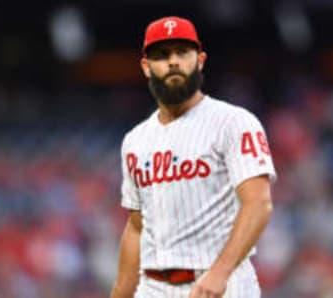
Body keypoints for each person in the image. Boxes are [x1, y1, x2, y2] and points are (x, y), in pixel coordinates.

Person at [110, 16, 276, 298]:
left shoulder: (233, 122)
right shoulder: (135, 141)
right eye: (162, 55)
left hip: (221, 281)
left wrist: (220, 273)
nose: (173, 61)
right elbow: (137, 229)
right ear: (146, 67)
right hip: (152, 286)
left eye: (182, 52)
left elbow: (258, 203)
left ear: (200, 60)